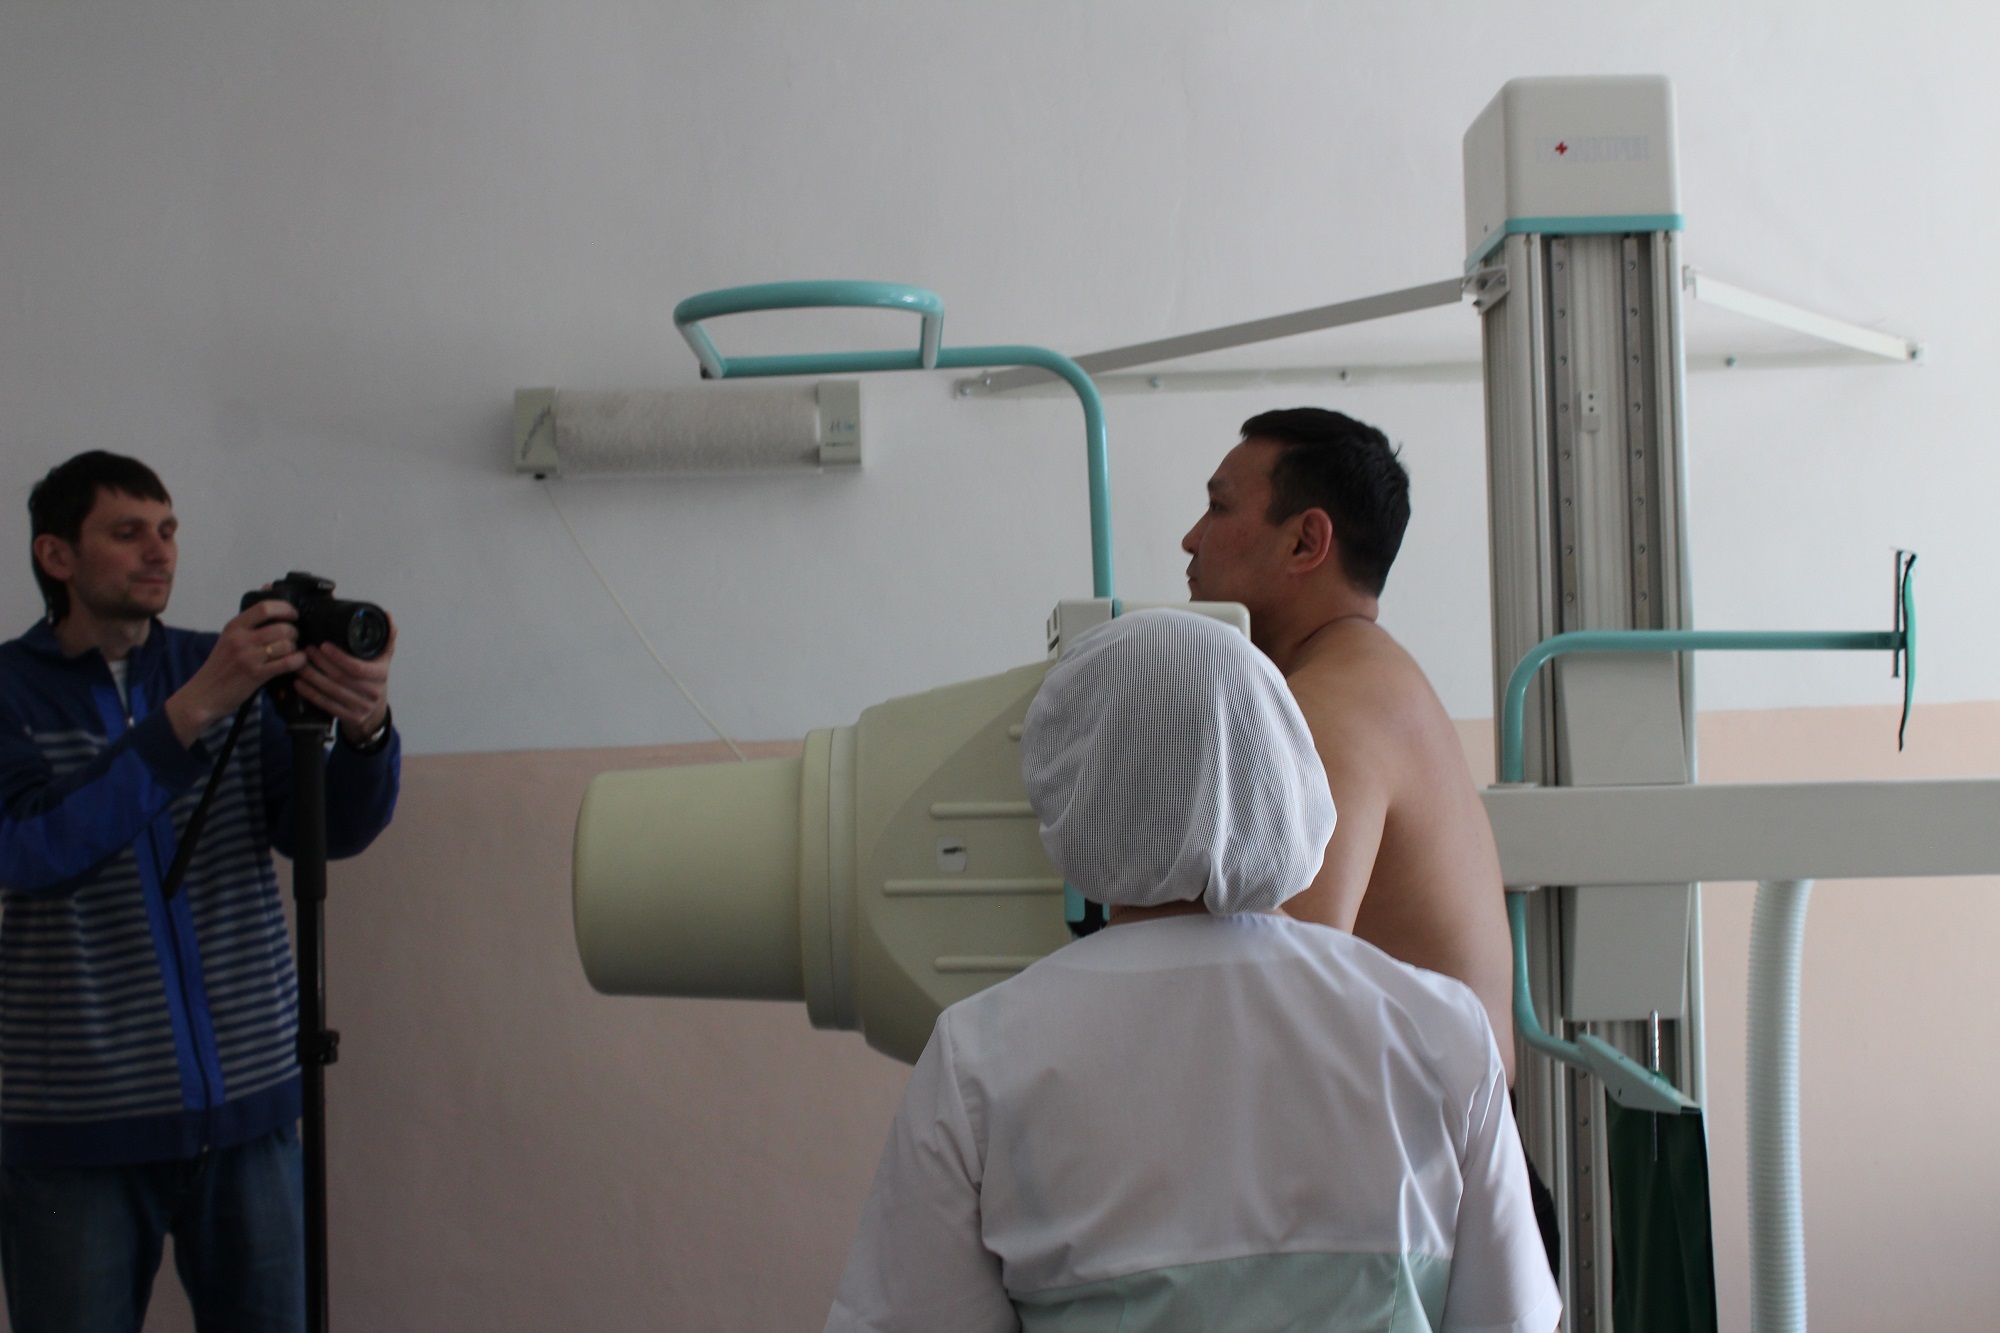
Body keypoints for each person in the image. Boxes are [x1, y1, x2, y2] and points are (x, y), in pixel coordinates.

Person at [823, 610, 1559, 1333]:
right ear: (1285, 768)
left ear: (1072, 791)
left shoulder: (980, 1056)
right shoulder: (1437, 1029)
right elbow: (1514, 1320)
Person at [0, 451, 400, 1333]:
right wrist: (190, 712)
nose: (160, 551)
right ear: (55, 554)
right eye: (128, 531)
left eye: (169, 529)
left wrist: (367, 733)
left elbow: (321, 833)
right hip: (76, 1133)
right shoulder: (13, 690)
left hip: (250, 1110)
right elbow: (32, 848)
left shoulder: (220, 668)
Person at [1181, 408, 1517, 1085]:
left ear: (1306, 542)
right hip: (1434, 1126)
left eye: (1218, 507)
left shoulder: (1332, 706)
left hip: (1426, 1144)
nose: (1191, 539)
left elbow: (1282, 984)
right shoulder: (1370, 677)